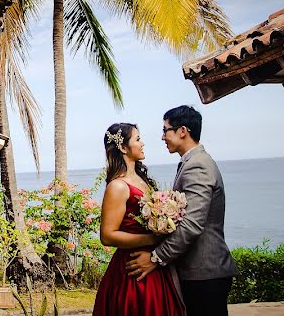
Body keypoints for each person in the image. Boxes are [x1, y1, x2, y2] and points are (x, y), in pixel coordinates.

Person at [125, 105, 238, 316]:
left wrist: (155, 258)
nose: (162, 137)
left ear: (183, 131)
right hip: (199, 273)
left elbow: (192, 225)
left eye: (165, 130)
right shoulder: (191, 162)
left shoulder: (198, 166)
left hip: (204, 273)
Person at [92, 122, 185, 316]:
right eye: (138, 139)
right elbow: (107, 236)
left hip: (154, 264)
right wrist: (152, 239)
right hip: (132, 270)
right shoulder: (117, 186)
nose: (142, 144)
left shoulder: (144, 181)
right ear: (124, 148)